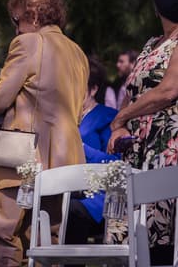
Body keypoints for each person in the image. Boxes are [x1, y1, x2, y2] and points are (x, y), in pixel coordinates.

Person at [0, 0, 89, 266]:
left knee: (4, 236)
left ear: (31, 15)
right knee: (48, 241)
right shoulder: (78, 52)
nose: (16, 28)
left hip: (21, 157)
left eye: (16, 20)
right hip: (65, 160)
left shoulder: (28, 42)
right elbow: (78, 110)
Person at [107, 0, 178, 265]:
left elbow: (169, 91)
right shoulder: (152, 44)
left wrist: (121, 116)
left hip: (165, 157)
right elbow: (132, 91)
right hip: (135, 154)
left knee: (161, 248)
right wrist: (120, 124)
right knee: (125, 247)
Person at [65, 57, 118, 247]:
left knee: (70, 211)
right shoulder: (64, 117)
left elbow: (116, 163)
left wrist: (81, 149)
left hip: (95, 198)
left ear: (93, 89)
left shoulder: (109, 118)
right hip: (64, 189)